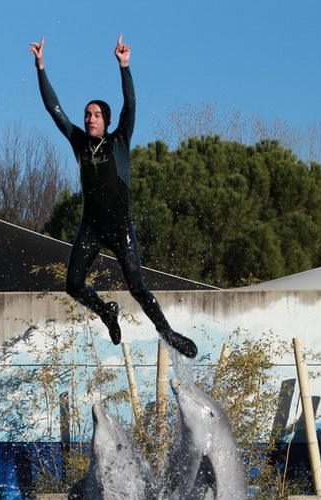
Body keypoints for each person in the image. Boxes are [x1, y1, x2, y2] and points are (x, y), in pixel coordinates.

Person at [30, 34, 198, 359]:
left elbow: (130, 105)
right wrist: (40, 66)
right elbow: (54, 109)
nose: (89, 119)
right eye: (87, 114)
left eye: (96, 115)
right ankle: (106, 311)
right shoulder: (79, 142)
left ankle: (168, 333)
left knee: (137, 287)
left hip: (120, 227)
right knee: (73, 285)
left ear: (106, 121)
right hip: (91, 227)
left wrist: (124, 66)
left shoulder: (119, 140)